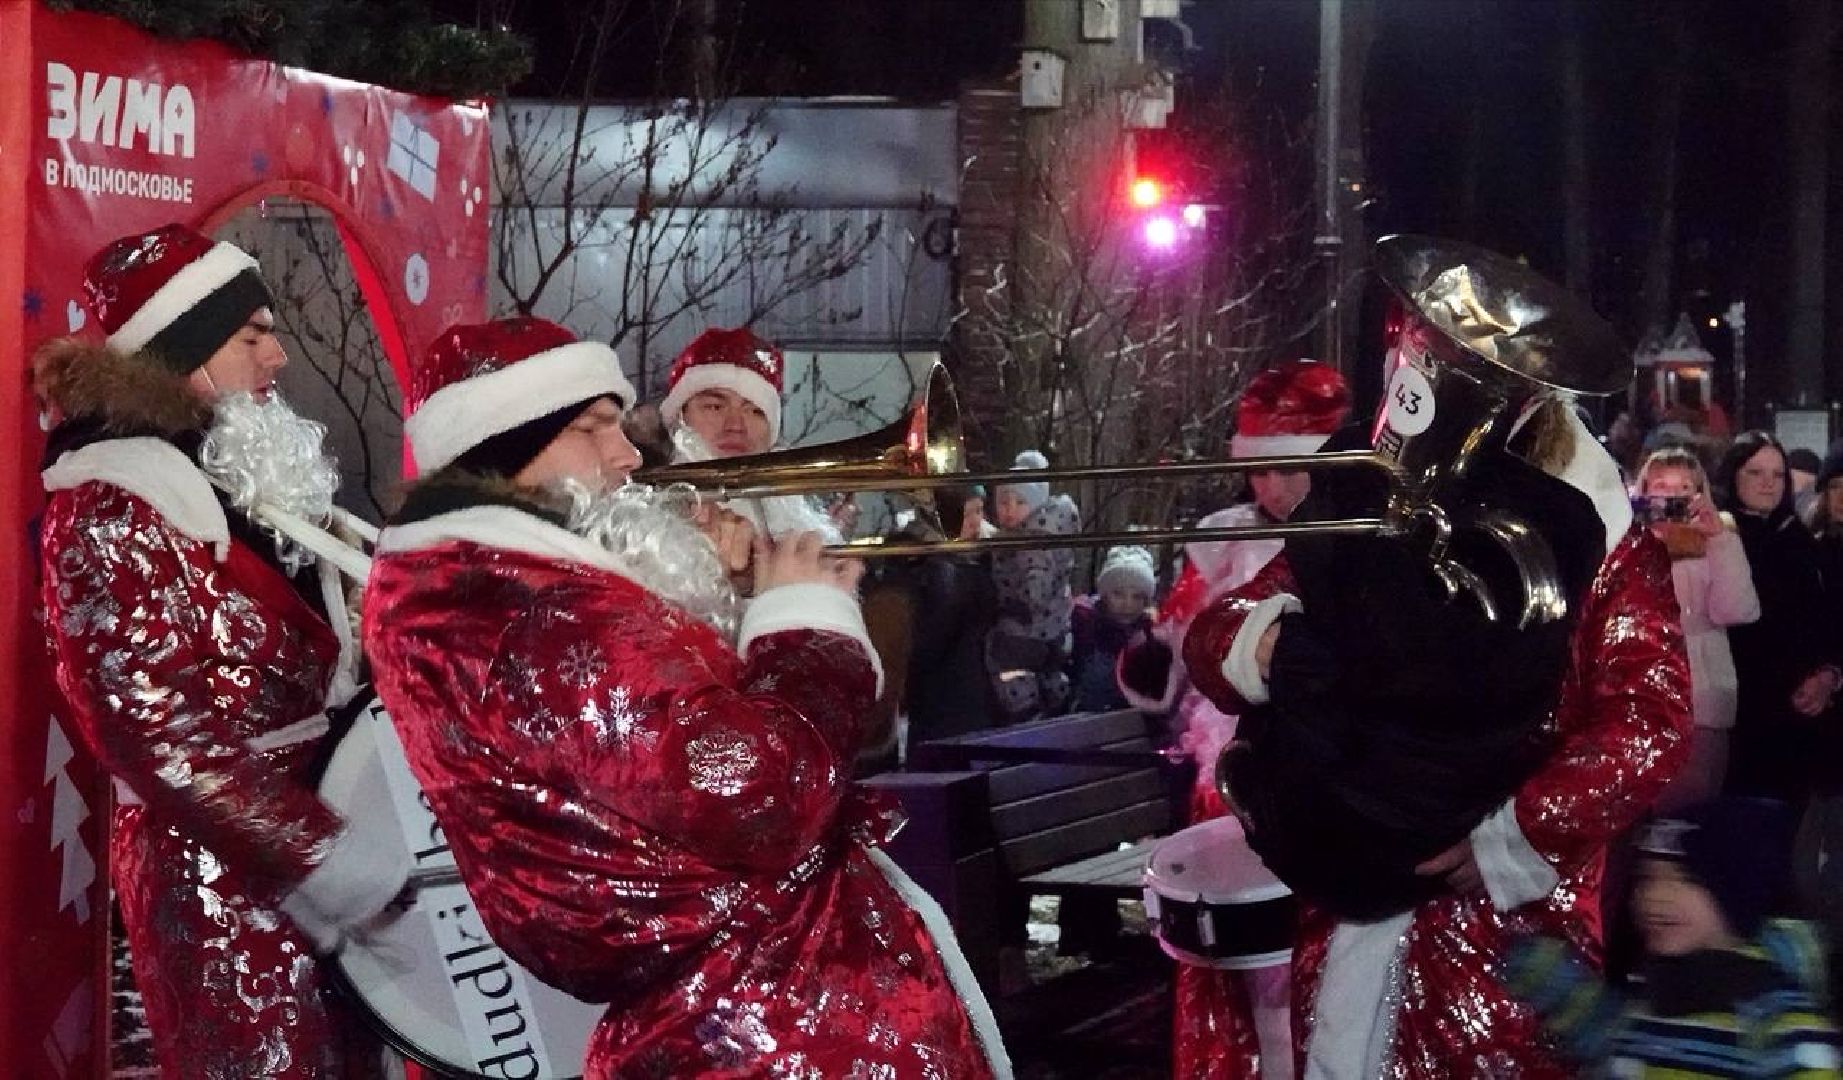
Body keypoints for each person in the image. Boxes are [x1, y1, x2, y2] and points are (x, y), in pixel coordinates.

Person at [362, 317, 1008, 1079]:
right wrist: (802, 628)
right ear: (504, 444)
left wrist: (732, 601)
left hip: (757, 999)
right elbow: (753, 791)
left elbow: (659, 751)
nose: (627, 454)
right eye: (593, 426)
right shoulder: (528, 609)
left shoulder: (508, 592)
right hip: (764, 1025)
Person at [1184, 240, 1692, 1075]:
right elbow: (1220, 633)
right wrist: (1268, 642)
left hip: (1509, 922)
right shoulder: (1376, 511)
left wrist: (1510, 834)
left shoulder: (1601, 541)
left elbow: (1650, 720)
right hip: (1353, 881)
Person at [36, 223, 408, 1078]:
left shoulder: (228, 478)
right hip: (218, 876)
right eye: (252, 337)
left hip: (320, 851)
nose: (277, 359)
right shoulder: (112, 501)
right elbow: (145, 726)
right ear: (185, 351)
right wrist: (322, 854)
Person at [1119, 359, 1350, 1080]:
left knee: (1312, 956)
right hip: (1233, 777)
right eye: (1261, 471)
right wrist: (1151, 648)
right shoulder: (1219, 540)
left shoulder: (1357, 537)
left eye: (1291, 470)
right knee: (1239, 962)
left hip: (1324, 778)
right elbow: (1176, 644)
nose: (1274, 488)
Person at [1506, 798, 1840, 1077]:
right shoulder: (1655, 990)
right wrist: (1553, 980)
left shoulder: (1777, 1022)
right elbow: (1613, 1040)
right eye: (1647, 878)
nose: (1655, 896)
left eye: (1683, 878)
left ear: (1736, 896)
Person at [1715, 432, 1841, 812]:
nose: (1768, 483)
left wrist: (1827, 674)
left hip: (1796, 712)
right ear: (1733, 476)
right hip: (1735, 705)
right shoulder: (1716, 535)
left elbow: (1824, 617)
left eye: (1777, 474)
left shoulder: (1799, 540)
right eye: (1755, 472)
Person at [1632, 447, 1760, 808]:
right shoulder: (1629, 541)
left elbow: (1738, 610)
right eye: (1661, 486)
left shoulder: (1717, 538)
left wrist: (1720, 540)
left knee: (1695, 806)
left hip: (1703, 696)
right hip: (1640, 693)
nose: (1672, 496)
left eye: (1684, 487)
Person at [658, 325, 837, 539]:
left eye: (754, 411)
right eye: (715, 407)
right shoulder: (650, 516)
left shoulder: (791, 516)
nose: (736, 426)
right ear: (680, 416)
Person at [987, 450, 1081, 721]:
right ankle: (1056, 708)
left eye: (1020, 502)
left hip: (1027, 627)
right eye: (1004, 502)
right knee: (1050, 677)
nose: (1010, 510)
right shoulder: (1046, 530)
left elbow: (1036, 581)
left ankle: (1026, 717)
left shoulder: (1032, 541)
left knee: (1009, 671)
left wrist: (1016, 605)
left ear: (1036, 506)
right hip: (1054, 627)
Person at [1069, 545, 1156, 714]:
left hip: (1131, 718)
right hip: (1085, 715)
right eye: (1118, 594)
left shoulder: (1149, 633)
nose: (1127, 604)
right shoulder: (1085, 623)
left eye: (1137, 597)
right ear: (1104, 594)